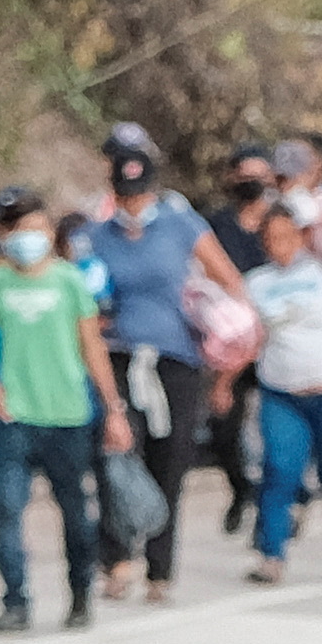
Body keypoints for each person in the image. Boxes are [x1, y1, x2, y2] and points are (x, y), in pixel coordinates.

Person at [0, 189, 130, 633]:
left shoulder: (69, 280)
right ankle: (15, 599)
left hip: (67, 414)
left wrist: (113, 407)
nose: (28, 238)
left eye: (35, 228)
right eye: (18, 229)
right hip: (14, 416)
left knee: (75, 512)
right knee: (7, 509)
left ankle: (80, 593)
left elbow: (91, 344)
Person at [78, 126, 219, 601]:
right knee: (118, 457)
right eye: (125, 195)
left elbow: (227, 280)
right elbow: (87, 304)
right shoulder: (96, 236)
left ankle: (161, 569)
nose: (133, 204)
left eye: (139, 194)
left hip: (175, 360)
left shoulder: (181, 225)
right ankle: (116, 558)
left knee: (170, 462)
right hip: (120, 356)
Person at [234, 197, 322, 585]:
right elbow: (244, 337)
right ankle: (272, 554)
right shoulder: (257, 283)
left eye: (288, 236)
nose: (281, 245)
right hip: (282, 393)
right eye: (273, 238)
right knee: (279, 471)